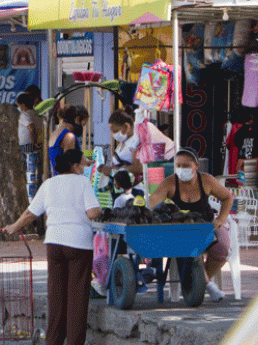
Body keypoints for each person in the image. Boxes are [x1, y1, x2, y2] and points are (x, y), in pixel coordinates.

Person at [4, 149, 101, 345]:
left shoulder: (48, 184)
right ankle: (74, 341)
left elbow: (31, 213)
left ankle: (53, 340)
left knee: (56, 295)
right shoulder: (82, 182)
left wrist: (14, 226)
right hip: (78, 244)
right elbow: (92, 213)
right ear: (74, 166)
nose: (84, 167)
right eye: (83, 164)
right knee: (77, 297)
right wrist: (101, 210)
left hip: (54, 243)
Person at [148, 147, 234, 302]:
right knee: (193, 251)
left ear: (196, 166)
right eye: (178, 165)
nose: (181, 169)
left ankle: (198, 283)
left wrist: (221, 219)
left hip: (208, 225)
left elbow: (228, 197)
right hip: (182, 231)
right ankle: (206, 285)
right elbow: (153, 200)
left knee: (222, 249)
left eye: (186, 166)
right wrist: (139, 205)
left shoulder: (206, 180)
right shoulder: (170, 183)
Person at [98, 108, 144, 196]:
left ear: (126, 126)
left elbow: (139, 168)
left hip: (132, 191)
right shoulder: (123, 142)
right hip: (120, 190)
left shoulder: (134, 142)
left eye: (115, 131)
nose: (114, 134)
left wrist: (114, 170)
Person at [48, 104, 89, 175]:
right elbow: (70, 165)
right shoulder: (69, 136)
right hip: (67, 180)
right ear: (77, 119)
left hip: (59, 178)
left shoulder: (55, 133)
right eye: (83, 124)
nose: (82, 128)